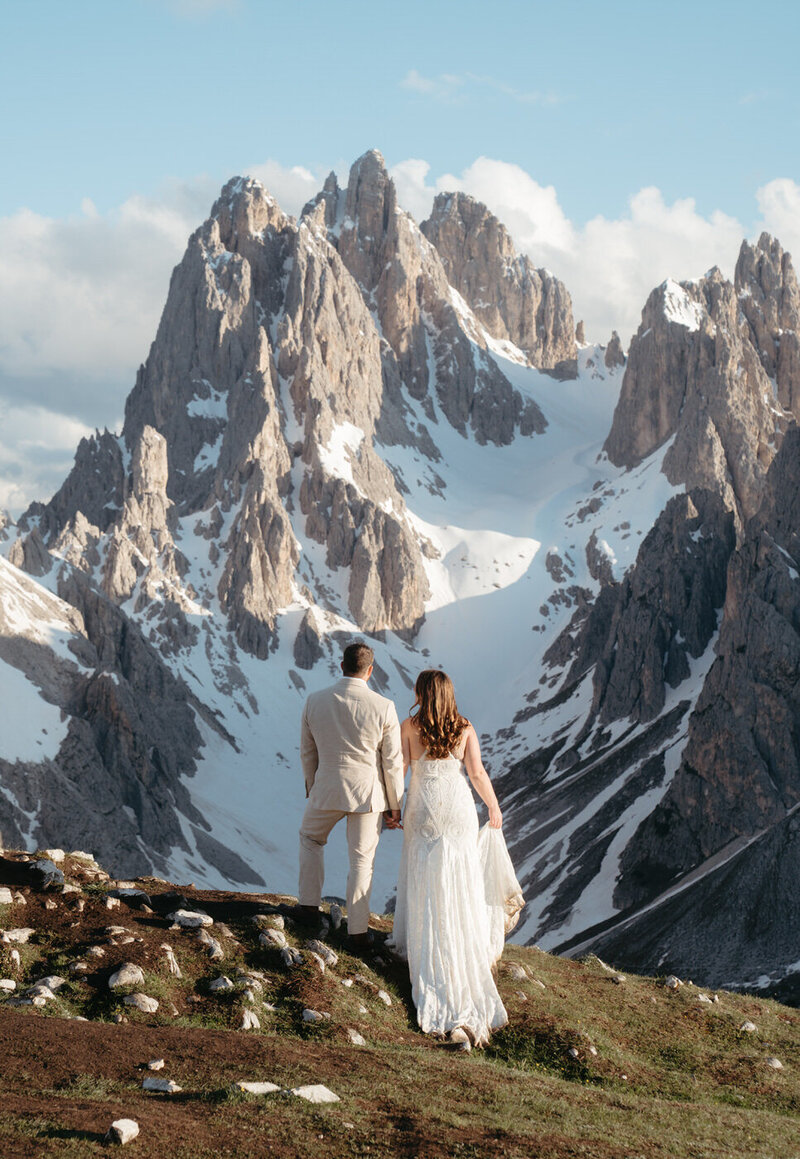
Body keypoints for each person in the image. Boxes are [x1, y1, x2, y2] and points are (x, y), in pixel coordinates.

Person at [390, 669, 524, 1050]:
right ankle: (461, 944)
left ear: (421, 693)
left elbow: (400, 770)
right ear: (449, 694)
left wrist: (392, 807)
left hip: (424, 808)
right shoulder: (464, 727)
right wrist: (493, 806)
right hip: (459, 809)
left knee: (424, 876)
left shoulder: (409, 726)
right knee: (459, 878)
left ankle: (427, 944)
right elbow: (476, 773)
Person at [295, 641, 404, 946]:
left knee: (310, 839)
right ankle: (357, 932)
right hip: (368, 794)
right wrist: (394, 805)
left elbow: (307, 751)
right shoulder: (384, 707)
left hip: (326, 786)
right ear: (370, 671)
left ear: (341, 665)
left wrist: (312, 786)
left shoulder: (314, 701)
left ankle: (308, 907)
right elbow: (392, 762)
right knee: (361, 861)